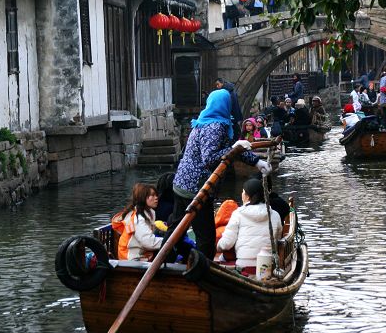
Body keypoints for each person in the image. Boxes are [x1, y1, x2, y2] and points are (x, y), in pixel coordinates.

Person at [171, 89, 272, 259]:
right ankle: (201, 271)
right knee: (206, 237)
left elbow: (235, 149)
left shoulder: (205, 120)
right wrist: (234, 148)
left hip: (181, 183)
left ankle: (170, 260)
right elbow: (210, 158)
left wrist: (256, 161)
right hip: (198, 188)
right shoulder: (215, 126)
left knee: (176, 228)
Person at [216, 178, 282, 269]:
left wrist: (217, 247)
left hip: (244, 264)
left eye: (243, 192)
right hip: (268, 264)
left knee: (221, 258)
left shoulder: (238, 214)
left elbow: (227, 243)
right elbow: (277, 238)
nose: (242, 194)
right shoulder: (275, 215)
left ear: (247, 196)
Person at [113, 183, 164, 261]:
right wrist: (169, 241)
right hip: (131, 257)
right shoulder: (138, 218)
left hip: (141, 252)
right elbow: (148, 242)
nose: (156, 198)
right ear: (143, 198)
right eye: (152, 195)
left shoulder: (148, 212)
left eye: (156, 195)